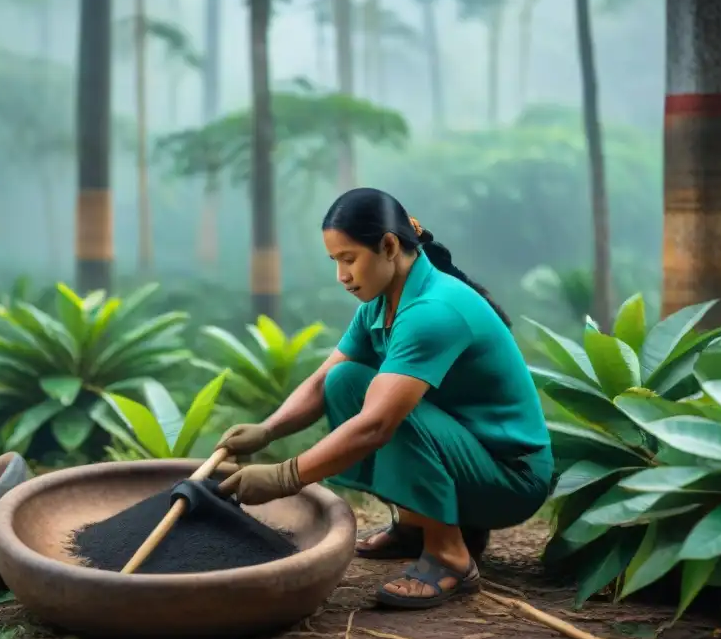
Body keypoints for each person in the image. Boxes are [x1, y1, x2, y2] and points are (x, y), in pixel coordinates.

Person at [215, 187, 554, 610]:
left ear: (389, 246)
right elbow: (323, 384)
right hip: (467, 451)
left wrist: (285, 477)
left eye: (349, 258)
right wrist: (267, 431)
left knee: (390, 412)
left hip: (510, 476)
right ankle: (417, 527)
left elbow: (377, 425)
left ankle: (450, 553)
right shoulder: (380, 305)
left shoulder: (433, 311)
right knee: (346, 381)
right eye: (335, 261)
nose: (341, 275)